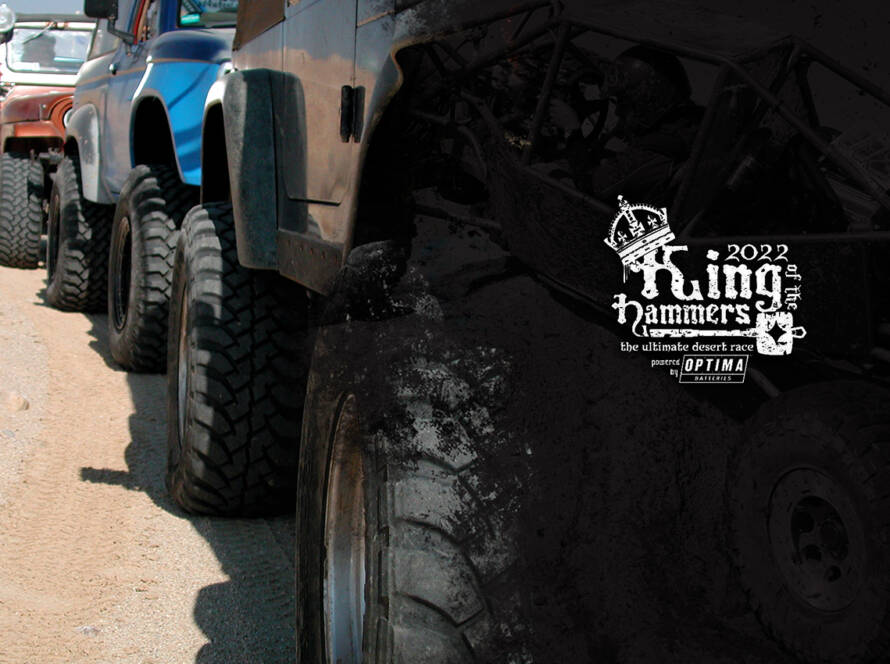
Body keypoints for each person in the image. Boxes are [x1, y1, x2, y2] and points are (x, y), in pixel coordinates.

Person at [552, 46, 703, 203]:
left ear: (646, 102)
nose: (617, 112)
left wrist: (572, 130)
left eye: (624, 102)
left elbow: (590, 185)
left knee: (547, 172)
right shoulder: (686, 125)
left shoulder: (660, 146)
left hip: (621, 217)